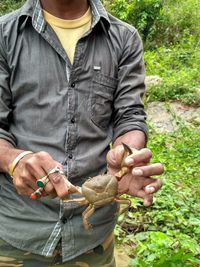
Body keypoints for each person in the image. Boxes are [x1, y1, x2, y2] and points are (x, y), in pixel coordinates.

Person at [0, 0, 164, 266]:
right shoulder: (5, 35)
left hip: (93, 236)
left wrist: (128, 158)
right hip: (15, 230)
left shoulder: (123, 38)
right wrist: (14, 160)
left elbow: (130, 115)